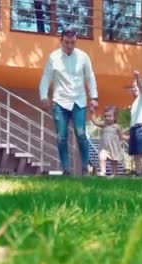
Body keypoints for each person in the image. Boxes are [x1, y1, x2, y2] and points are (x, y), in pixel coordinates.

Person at [39, 27, 98, 176]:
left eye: (72, 42)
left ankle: (85, 168)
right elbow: (46, 78)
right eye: (66, 42)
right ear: (61, 41)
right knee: (61, 136)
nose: (70, 46)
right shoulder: (53, 57)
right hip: (60, 102)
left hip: (79, 101)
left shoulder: (83, 57)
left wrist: (94, 97)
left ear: (76, 41)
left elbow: (90, 77)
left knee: (81, 133)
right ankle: (66, 169)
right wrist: (44, 96)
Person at [127, 70, 142, 177]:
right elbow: (133, 119)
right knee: (135, 153)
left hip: (141, 128)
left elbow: (141, 89)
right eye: (133, 86)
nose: (135, 87)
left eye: (137, 85)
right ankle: (138, 173)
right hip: (134, 128)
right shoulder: (134, 103)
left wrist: (137, 78)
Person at [91, 106, 127, 177]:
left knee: (113, 161)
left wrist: (129, 137)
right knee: (101, 158)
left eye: (109, 116)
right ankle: (103, 171)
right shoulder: (104, 125)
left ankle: (114, 173)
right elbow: (95, 122)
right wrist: (93, 113)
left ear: (115, 118)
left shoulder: (117, 127)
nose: (107, 118)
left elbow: (122, 136)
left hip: (113, 147)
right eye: (105, 116)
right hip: (104, 147)